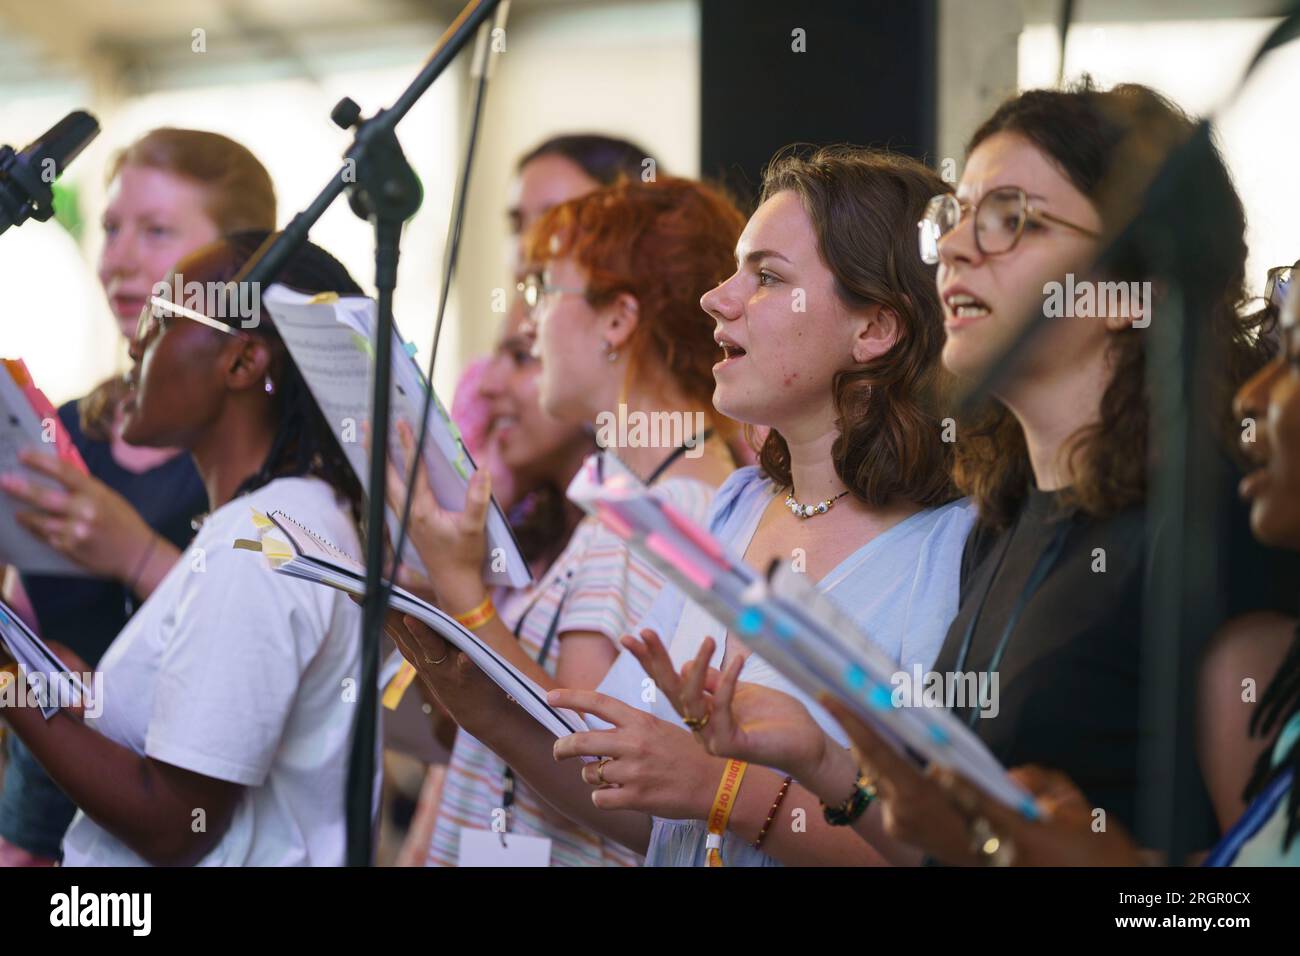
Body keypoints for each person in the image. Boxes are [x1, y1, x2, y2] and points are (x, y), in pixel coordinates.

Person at [635, 82, 1283, 868]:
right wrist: (823, 761)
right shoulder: (1008, 522)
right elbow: (955, 854)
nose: (955, 249)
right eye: (956, 216)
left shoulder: (1216, 526)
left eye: (1011, 219)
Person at [388, 147, 973, 866]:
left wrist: (719, 789)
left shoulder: (951, 551)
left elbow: (943, 854)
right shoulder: (737, 507)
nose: (716, 299)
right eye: (734, 271)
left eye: (766, 277)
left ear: (874, 328)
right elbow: (642, 799)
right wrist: (476, 696)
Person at [392, 175, 742, 867]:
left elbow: (590, 753)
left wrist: (462, 590)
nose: (530, 323)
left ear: (617, 320)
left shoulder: (659, 513)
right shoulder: (647, 492)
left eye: (545, 291)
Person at [0, 231, 375, 866]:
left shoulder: (256, 545)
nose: (136, 342)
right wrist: (82, 695)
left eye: (163, 317)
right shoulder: (288, 518)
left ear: (242, 362)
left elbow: (175, 825)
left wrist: (9, 681)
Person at [0, 128, 275, 866]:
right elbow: (31, 616)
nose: (117, 259)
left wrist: (134, 554)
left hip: (180, 815)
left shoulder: (254, 455)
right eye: (112, 227)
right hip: (42, 804)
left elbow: (257, 632)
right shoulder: (67, 425)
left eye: (156, 232)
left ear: (235, 268)